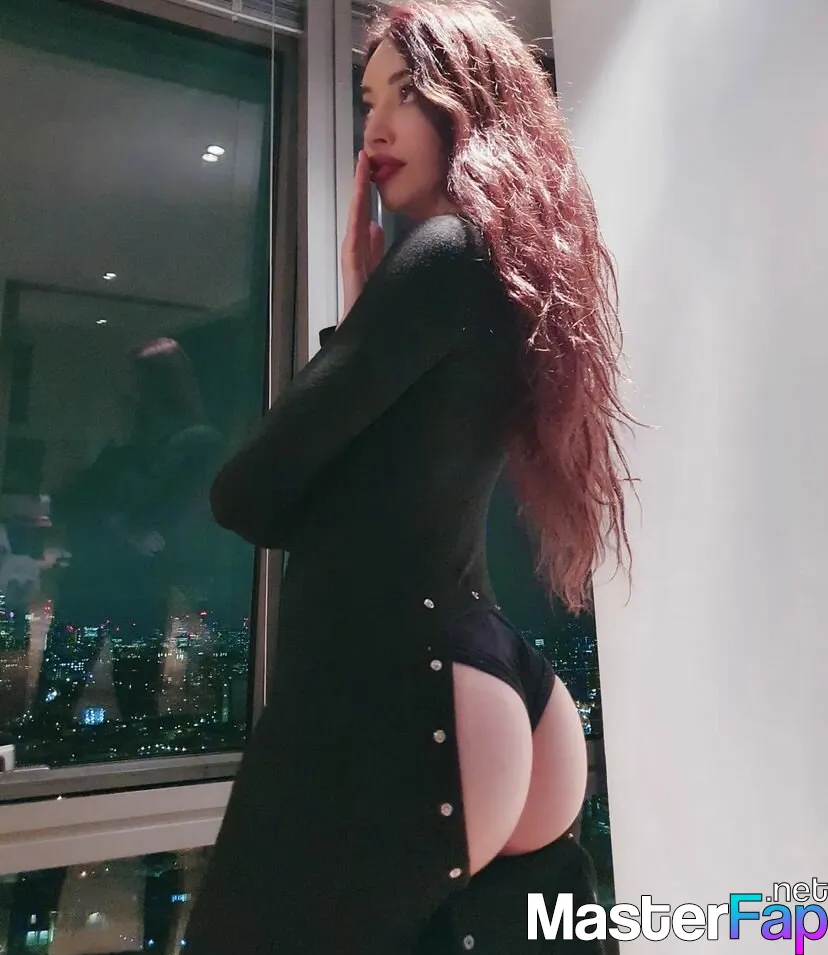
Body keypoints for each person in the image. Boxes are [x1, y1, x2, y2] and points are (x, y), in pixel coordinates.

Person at [184, 2, 633, 953]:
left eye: (407, 94)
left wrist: (357, 324)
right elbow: (388, 473)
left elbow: (248, 491)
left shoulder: (441, 253)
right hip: (497, 690)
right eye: (367, 100)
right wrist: (363, 304)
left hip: (401, 691)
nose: (376, 126)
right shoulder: (500, 265)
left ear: (468, 105)